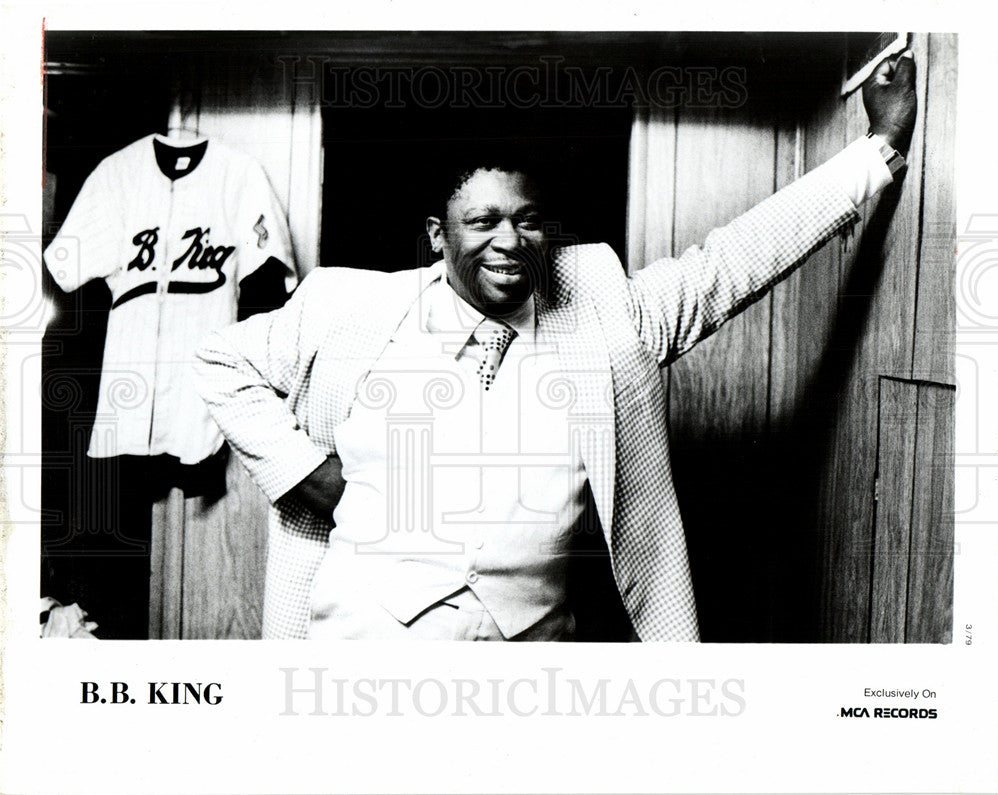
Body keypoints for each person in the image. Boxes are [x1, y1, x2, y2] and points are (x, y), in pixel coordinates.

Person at [194, 53, 918, 641]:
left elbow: (729, 265)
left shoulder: (600, 312)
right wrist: (307, 472)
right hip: (359, 647)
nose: (509, 242)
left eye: (529, 220)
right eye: (481, 221)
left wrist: (877, 149)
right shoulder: (349, 306)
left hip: (532, 657)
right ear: (439, 234)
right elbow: (219, 360)